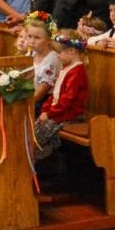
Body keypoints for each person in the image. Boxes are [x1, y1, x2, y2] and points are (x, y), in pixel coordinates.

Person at [34, 29, 89, 163]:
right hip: (59, 113)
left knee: (37, 135)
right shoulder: (66, 68)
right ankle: (38, 166)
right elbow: (54, 95)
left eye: (59, 53)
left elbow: (67, 100)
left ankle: (38, 166)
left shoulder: (77, 71)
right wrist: (45, 110)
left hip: (71, 114)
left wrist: (49, 114)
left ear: (71, 51)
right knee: (34, 128)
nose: (57, 56)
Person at [19, 11, 58, 109]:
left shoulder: (52, 59)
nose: (31, 41)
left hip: (42, 103)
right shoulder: (32, 53)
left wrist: (24, 103)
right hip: (28, 97)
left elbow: (41, 91)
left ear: (49, 40)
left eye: (37, 38)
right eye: (29, 36)